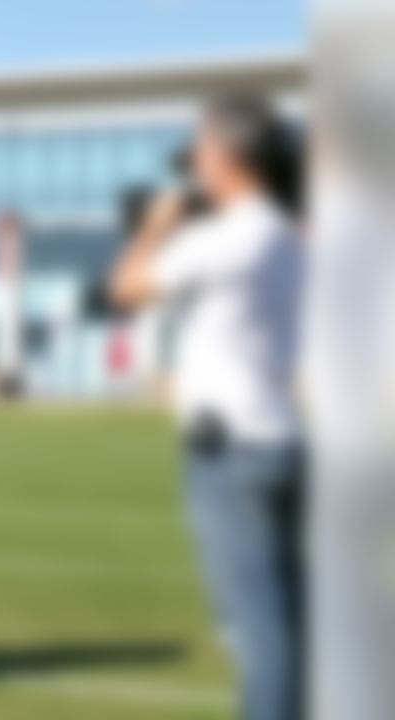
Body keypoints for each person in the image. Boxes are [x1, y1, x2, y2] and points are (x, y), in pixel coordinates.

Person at [109, 94, 305, 720]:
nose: (192, 163)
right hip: (278, 435)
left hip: (228, 450)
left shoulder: (228, 237)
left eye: (199, 149)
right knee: (286, 614)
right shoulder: (285, 231)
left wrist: (154, 228)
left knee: (255, 628)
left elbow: (126, 290)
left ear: (224, 155)